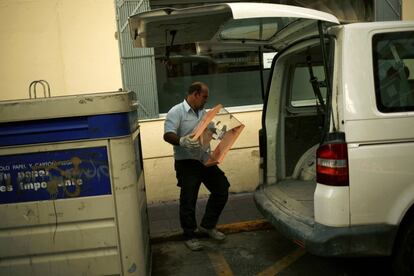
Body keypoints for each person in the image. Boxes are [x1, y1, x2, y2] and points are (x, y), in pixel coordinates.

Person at [163, 81, 230, 251]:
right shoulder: (176, 111)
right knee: (188, 198)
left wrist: (219, 132)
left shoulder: (204, 113)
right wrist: (181, 141)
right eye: (204, 97)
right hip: (186, 163)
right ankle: (190, 235)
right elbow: (167, 134)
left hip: (204, 159)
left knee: (221, 188)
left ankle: (208, 225)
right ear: (195, 94)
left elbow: (210, 131)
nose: (206, 100)